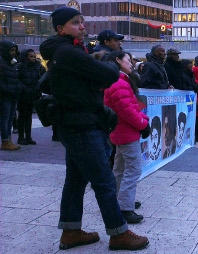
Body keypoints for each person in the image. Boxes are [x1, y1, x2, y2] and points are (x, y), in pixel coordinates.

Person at [39, 7, 148, 250]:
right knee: (105, 180)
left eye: (82, 21)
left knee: (76, 180)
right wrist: (106, 64)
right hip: (81, 123)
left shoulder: (66, 52)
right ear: (60, 28)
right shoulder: (68, 52)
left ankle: (71, 231)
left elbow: (46, 82)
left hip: (75, 121)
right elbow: (108, 75)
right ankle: (119, 233)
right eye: (75, 22)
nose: (82, 26)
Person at [104, 50, 150, 224]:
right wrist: (143, 123)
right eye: (128, 60)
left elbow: (131, 108)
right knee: (133, 169)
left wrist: (142, 120)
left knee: (120, 169)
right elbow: (128, 111)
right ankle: (125, 208)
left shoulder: (118, 81)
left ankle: (119, 200)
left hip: (120, 132)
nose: (132, 63)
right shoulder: (119, 83)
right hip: (126, 133)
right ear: (118, 60)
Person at [16, 49, 45, 145]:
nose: (33, 58)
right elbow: (17, 80)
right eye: (31, 56)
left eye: (34, 56)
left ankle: (28, 137)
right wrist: (25, 88)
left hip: (32, 94)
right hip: (23, 95)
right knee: (22, 116)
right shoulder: (20, 66)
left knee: (28, 116)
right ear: (26, 57)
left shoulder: (37, 67)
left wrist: (37, 88)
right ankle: (21, 137)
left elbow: (40, 78)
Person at [0, 40, 22, 151]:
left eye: (14, 50)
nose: (13, 53)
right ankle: (5, 141)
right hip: (5, 95)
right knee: (4, 119)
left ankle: (8, 140)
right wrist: (6, 89)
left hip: (13, 94)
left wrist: (18, 87)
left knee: (10, 119)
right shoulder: (2, 62)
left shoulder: (12, 62)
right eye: (11, 50)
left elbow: (15, 77)